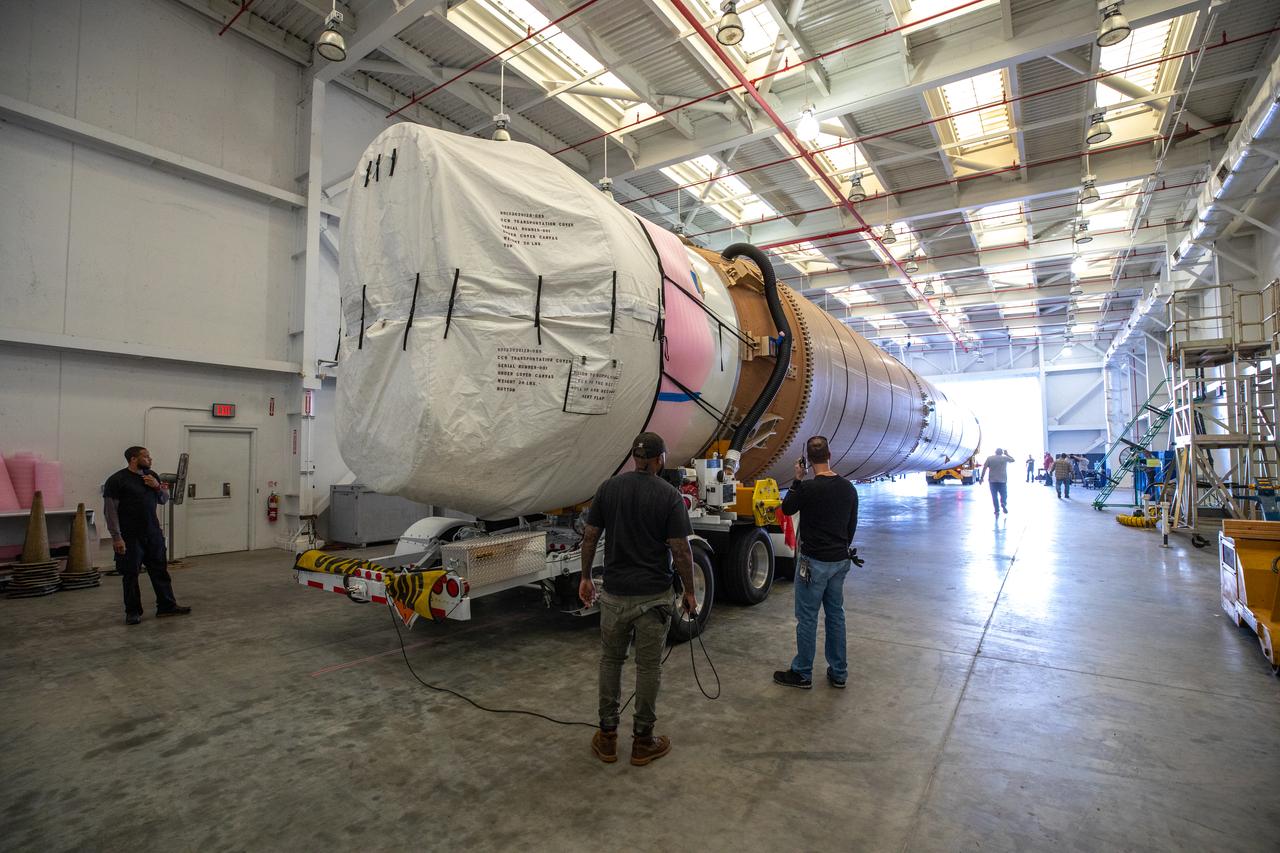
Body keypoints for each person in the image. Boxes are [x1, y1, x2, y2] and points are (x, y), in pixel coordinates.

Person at [578, 432, 697, 767]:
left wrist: (585, 577)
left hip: (614, 595)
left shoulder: (608, 489)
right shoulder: (669, 495)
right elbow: (681, 550)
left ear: (634, 458)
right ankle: (643, 742)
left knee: (610, 662)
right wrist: (689, 591)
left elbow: (590, 536)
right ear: (660, 459)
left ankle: (607, 738)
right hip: (653, 597)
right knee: (647, 667)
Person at [773, 436, 858, 690]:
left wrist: (798, 479)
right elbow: (851, 526)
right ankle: (839, 672)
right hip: (839, 560)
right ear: (830, 454)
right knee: (836, 615)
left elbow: (786, 509)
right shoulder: (848, 488)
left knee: (808, 617)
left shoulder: (808, 489)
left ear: (807, 461)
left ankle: (802, 673)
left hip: (813, 563)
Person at [103, 446, 191, 625]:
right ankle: (133, 611)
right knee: (130, 574)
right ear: (133, 459)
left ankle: (167, 606)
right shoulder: (117, 480)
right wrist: (116, 537)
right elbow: (110, 511)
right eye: (146, 456)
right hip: (130, 536)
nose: (150, 459)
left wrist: (157, 486)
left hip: (152, 533)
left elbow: (164, 499)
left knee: (160, 570)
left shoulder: (152, 476)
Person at [981, 448, 1015, 515]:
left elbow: (984, 468)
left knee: (994, 496)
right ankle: (1003, 503)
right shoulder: (1004, 458)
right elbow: (1013, 460)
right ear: (1002, 453)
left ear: (995, 452)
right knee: (1004, 494)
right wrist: (1007, 454)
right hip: (1002, 480)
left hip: (992, 480)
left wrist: (981, 477)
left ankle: (997, 510)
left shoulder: (990, 458)